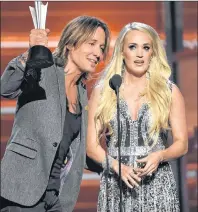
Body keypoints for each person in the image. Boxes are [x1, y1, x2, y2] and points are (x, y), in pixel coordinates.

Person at [1, 16, 110, 212]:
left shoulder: (83, 93)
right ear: (70, 43)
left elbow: (82, 152)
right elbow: (6, 88)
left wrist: (119, 165)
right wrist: (30, 53)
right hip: (21, 191)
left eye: (101, 47)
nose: (98, 53)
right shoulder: (44, 68)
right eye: (92, 43)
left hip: (56, 197)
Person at [86, 22, 188, 212]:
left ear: (153, 53)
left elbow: (182, 143)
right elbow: (91, 147)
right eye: (133, 47)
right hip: (116, 186)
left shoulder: (169, 92)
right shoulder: (104, 92)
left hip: (157, 186)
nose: (140, 54)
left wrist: (160, 155)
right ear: (122, 52)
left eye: (146, 48)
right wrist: (117, 166)